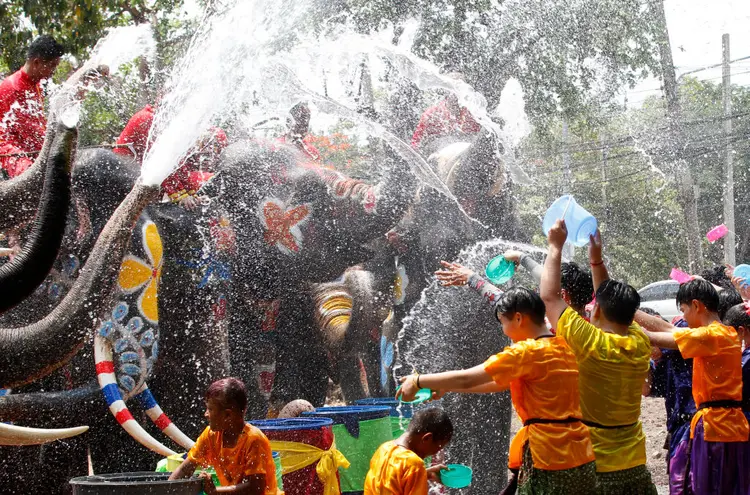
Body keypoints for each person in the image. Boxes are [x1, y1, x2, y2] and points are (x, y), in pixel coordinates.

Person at [397, 286, 597, 494]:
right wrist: (445, 386)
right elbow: (498, 383)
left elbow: (468, 378)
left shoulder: (525, 352)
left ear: (518, 318)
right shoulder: (562, 347)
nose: (504, 331)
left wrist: (419, 380)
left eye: (503, 323)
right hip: (582, 454)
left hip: (550, 456)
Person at [540, 221, 656, 494]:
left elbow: (549, 297)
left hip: (597, 463)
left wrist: (554, 245)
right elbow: (607, 299)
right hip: (635, 461)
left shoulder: (590, 342)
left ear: (597, 312)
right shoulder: (638, 340)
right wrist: (596, 259)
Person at [635, 279, 750, 495]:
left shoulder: (710, 335)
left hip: (716, 428)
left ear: (697, 305)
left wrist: (620, 317)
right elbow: (668, 327)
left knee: (707, 488)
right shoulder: (723, 333)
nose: (684, 318)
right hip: (730, 425)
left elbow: (654, 336)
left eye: (685, 310)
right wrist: (632, 312)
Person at [170, 377, 278, 495]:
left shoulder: (253, 439)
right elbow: (185, 469)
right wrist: (165, 491)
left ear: (227, 415)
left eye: (210, 409)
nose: (205, 414)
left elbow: (255, 489)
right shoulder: (211, 435)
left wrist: (216, 491)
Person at [641, 308, 694, 492]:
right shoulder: (662, 361)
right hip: (678, 433)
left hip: (693, 431)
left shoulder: (683, 338)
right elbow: (646, 389)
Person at [0, 35, 65, 178]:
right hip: (12, 155)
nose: (53, 71)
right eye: (52, 66)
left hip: (31, 153)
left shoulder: (36, 85)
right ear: (37, 63)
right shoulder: (12, 87)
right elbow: (8, 136)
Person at [363, 408, 451, 495]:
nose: (434, 454)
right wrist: (419, 473)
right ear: (427, 438)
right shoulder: (414, 464)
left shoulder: (383, 448)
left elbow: (390, 482)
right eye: (438, 448)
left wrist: (425, 474)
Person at [503, 250, 594, 317]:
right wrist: (520, 256)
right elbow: (540, 274)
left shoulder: (554, 326)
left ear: (563, 295)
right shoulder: (596, 313)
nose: (546, 286)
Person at [411, 93, 480, 151]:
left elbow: (478, 140)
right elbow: (415, 145)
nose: (455, 93)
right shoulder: (432, 114)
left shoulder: (472, 114)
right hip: (439, 156)